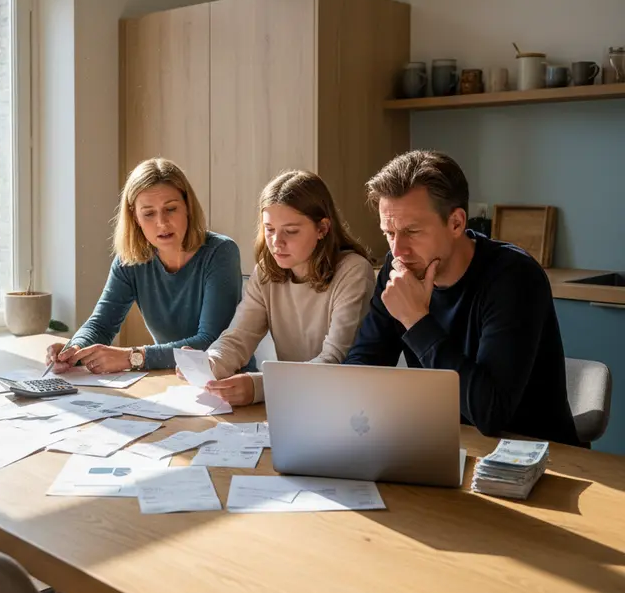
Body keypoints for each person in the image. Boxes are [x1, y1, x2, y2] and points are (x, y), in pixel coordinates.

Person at [345, 150, 579, 445]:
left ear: (456, 223)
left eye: (412, 231)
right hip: (447, 445)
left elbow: (490, 413)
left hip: (535, 457)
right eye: (389, 233)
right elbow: (361, 369)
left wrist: (416, 321)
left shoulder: (514, 277)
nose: (399, 249)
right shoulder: (398, 268)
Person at [195, 169, 375, 406]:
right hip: (291, 402)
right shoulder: (266, 272)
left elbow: (334, 361)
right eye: (269, 230)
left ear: (322, 228)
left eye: (290, 231)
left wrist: (260, 386)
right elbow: (238, 337)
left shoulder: (353, 271)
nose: (276, 243)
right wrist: (209, 363)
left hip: (343, 404)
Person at [46, 158, 242, 374]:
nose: (162, 223)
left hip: (226, 381)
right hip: (168, 380)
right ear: (135, 218)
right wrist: (74, 349)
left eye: (171, 209)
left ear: (187, 207)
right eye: (149, 213)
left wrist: (133, 357)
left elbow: (210, 342)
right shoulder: (130, 260)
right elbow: (101, 325)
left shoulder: (220, 252)